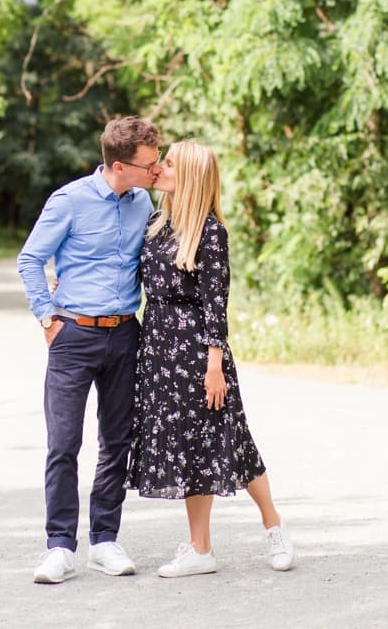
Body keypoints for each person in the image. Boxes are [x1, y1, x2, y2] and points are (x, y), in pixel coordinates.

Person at [125, 140, 295, 577]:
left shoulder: (211, 232)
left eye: (170, 163)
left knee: (230, 441)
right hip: (159, 349)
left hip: (199, 352)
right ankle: (201, 549)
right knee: (188, 448)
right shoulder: (156, 222)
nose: (160, 168)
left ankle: (273, 525)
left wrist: (214, 364)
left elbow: (215, 302)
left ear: (192, 175)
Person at [18, 115, 162, 584]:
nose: (155, 171)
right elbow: (31, 258)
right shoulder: (71, 200)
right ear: (119, 166)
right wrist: (46, 316)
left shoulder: (144, 201)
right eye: (148, 165)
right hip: (74, 335)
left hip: (125, 334)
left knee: (116, 442)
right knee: (64, 444)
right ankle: (59, 547)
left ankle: (105, 539)